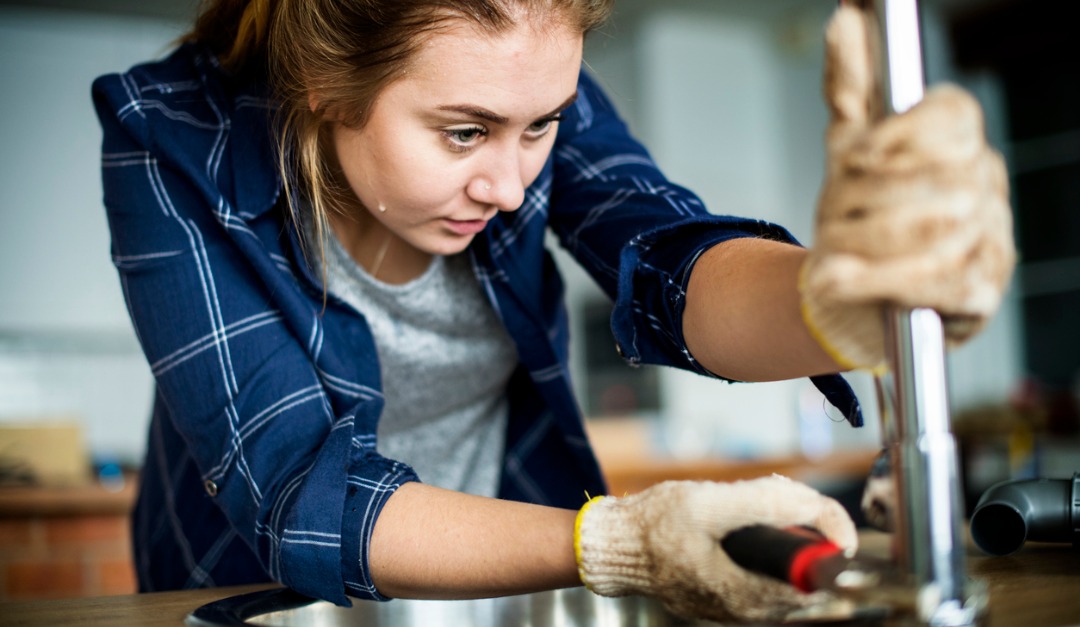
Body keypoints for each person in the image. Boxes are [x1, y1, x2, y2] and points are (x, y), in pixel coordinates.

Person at [91, 0, 1013, 622]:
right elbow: (298, 488)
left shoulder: (524, 88)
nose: (507, 181)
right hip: (273, 594)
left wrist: (836, 296)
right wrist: (619, 540)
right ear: (327, 89)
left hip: (507, 569)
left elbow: (666, 255)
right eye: (464, 132)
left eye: (541, 128)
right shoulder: (167, 135)